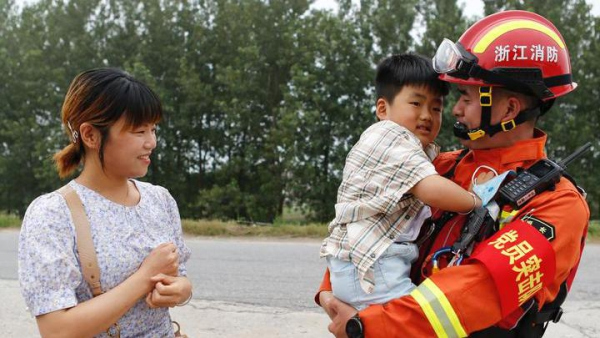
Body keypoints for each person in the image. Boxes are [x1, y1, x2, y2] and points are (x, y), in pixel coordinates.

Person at [316, 10, 590, 338]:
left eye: (466, 97)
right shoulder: (443, 167)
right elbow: (369, 217)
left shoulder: (558, 205)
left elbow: (477, 291)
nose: (455, 109)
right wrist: (334, 292)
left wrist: (365, 325)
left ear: (509, 110)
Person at [18, 68, 192, 337]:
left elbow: (179, 278)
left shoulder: (160, 200)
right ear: (90, 135)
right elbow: (56, 331)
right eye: (139, 131)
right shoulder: (53, 214)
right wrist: (144, 278)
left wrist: (181, 291)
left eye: (153, 129)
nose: (152, 142)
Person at [320, 54, 482, 312]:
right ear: (383, 109)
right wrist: (474, 200)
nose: (427, 116)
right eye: (416, 104)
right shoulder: (391, 137)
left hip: (367, 263)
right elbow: (430, 188)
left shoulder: (410, 146)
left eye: (436, 108)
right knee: (420, 320)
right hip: (375, 268)